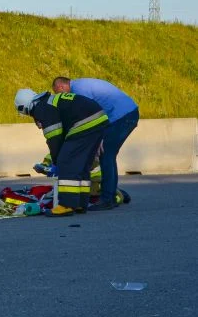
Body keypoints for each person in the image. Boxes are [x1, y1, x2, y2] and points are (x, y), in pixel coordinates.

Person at [15, 88, 108, 216]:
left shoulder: (41, 108)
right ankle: (80, 203)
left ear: (24, 107)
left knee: (67, 162)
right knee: (82, 164)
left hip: (85, 123)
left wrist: (56, 162)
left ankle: (67, 205)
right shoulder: (49, 101)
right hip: (98, 118)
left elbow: (54, 138)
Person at [52, 76, 138, 210]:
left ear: (61, 87)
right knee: (109, 155)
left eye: (59, 95)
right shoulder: (81, 84)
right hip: (127, 114)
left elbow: (92, 114)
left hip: (121, 117)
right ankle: (111, 193)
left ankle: (107, 199)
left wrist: (99, 137)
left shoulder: (79, 91)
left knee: (106, 154)